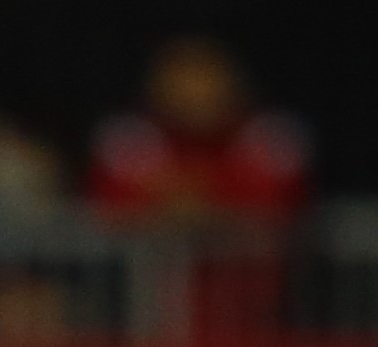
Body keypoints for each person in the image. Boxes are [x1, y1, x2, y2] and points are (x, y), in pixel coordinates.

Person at [86, 36, 310, 218]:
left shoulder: (271, 134)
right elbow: (110, 205)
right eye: (183, 74)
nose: (196, 90)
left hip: (244, 272)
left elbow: (279, 202)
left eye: (205, 75)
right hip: (152, 271)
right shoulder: (128, 136)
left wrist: (197, 198)